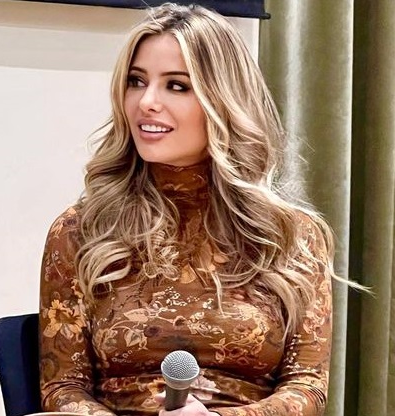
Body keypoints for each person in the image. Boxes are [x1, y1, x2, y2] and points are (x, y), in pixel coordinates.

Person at [39, 3, 336, 415]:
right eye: (136, 81)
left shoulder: (292, 235)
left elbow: (307, 387)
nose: (146, 102)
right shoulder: (81, 231)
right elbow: (62, 387)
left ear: (224, 100)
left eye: (176, 86)